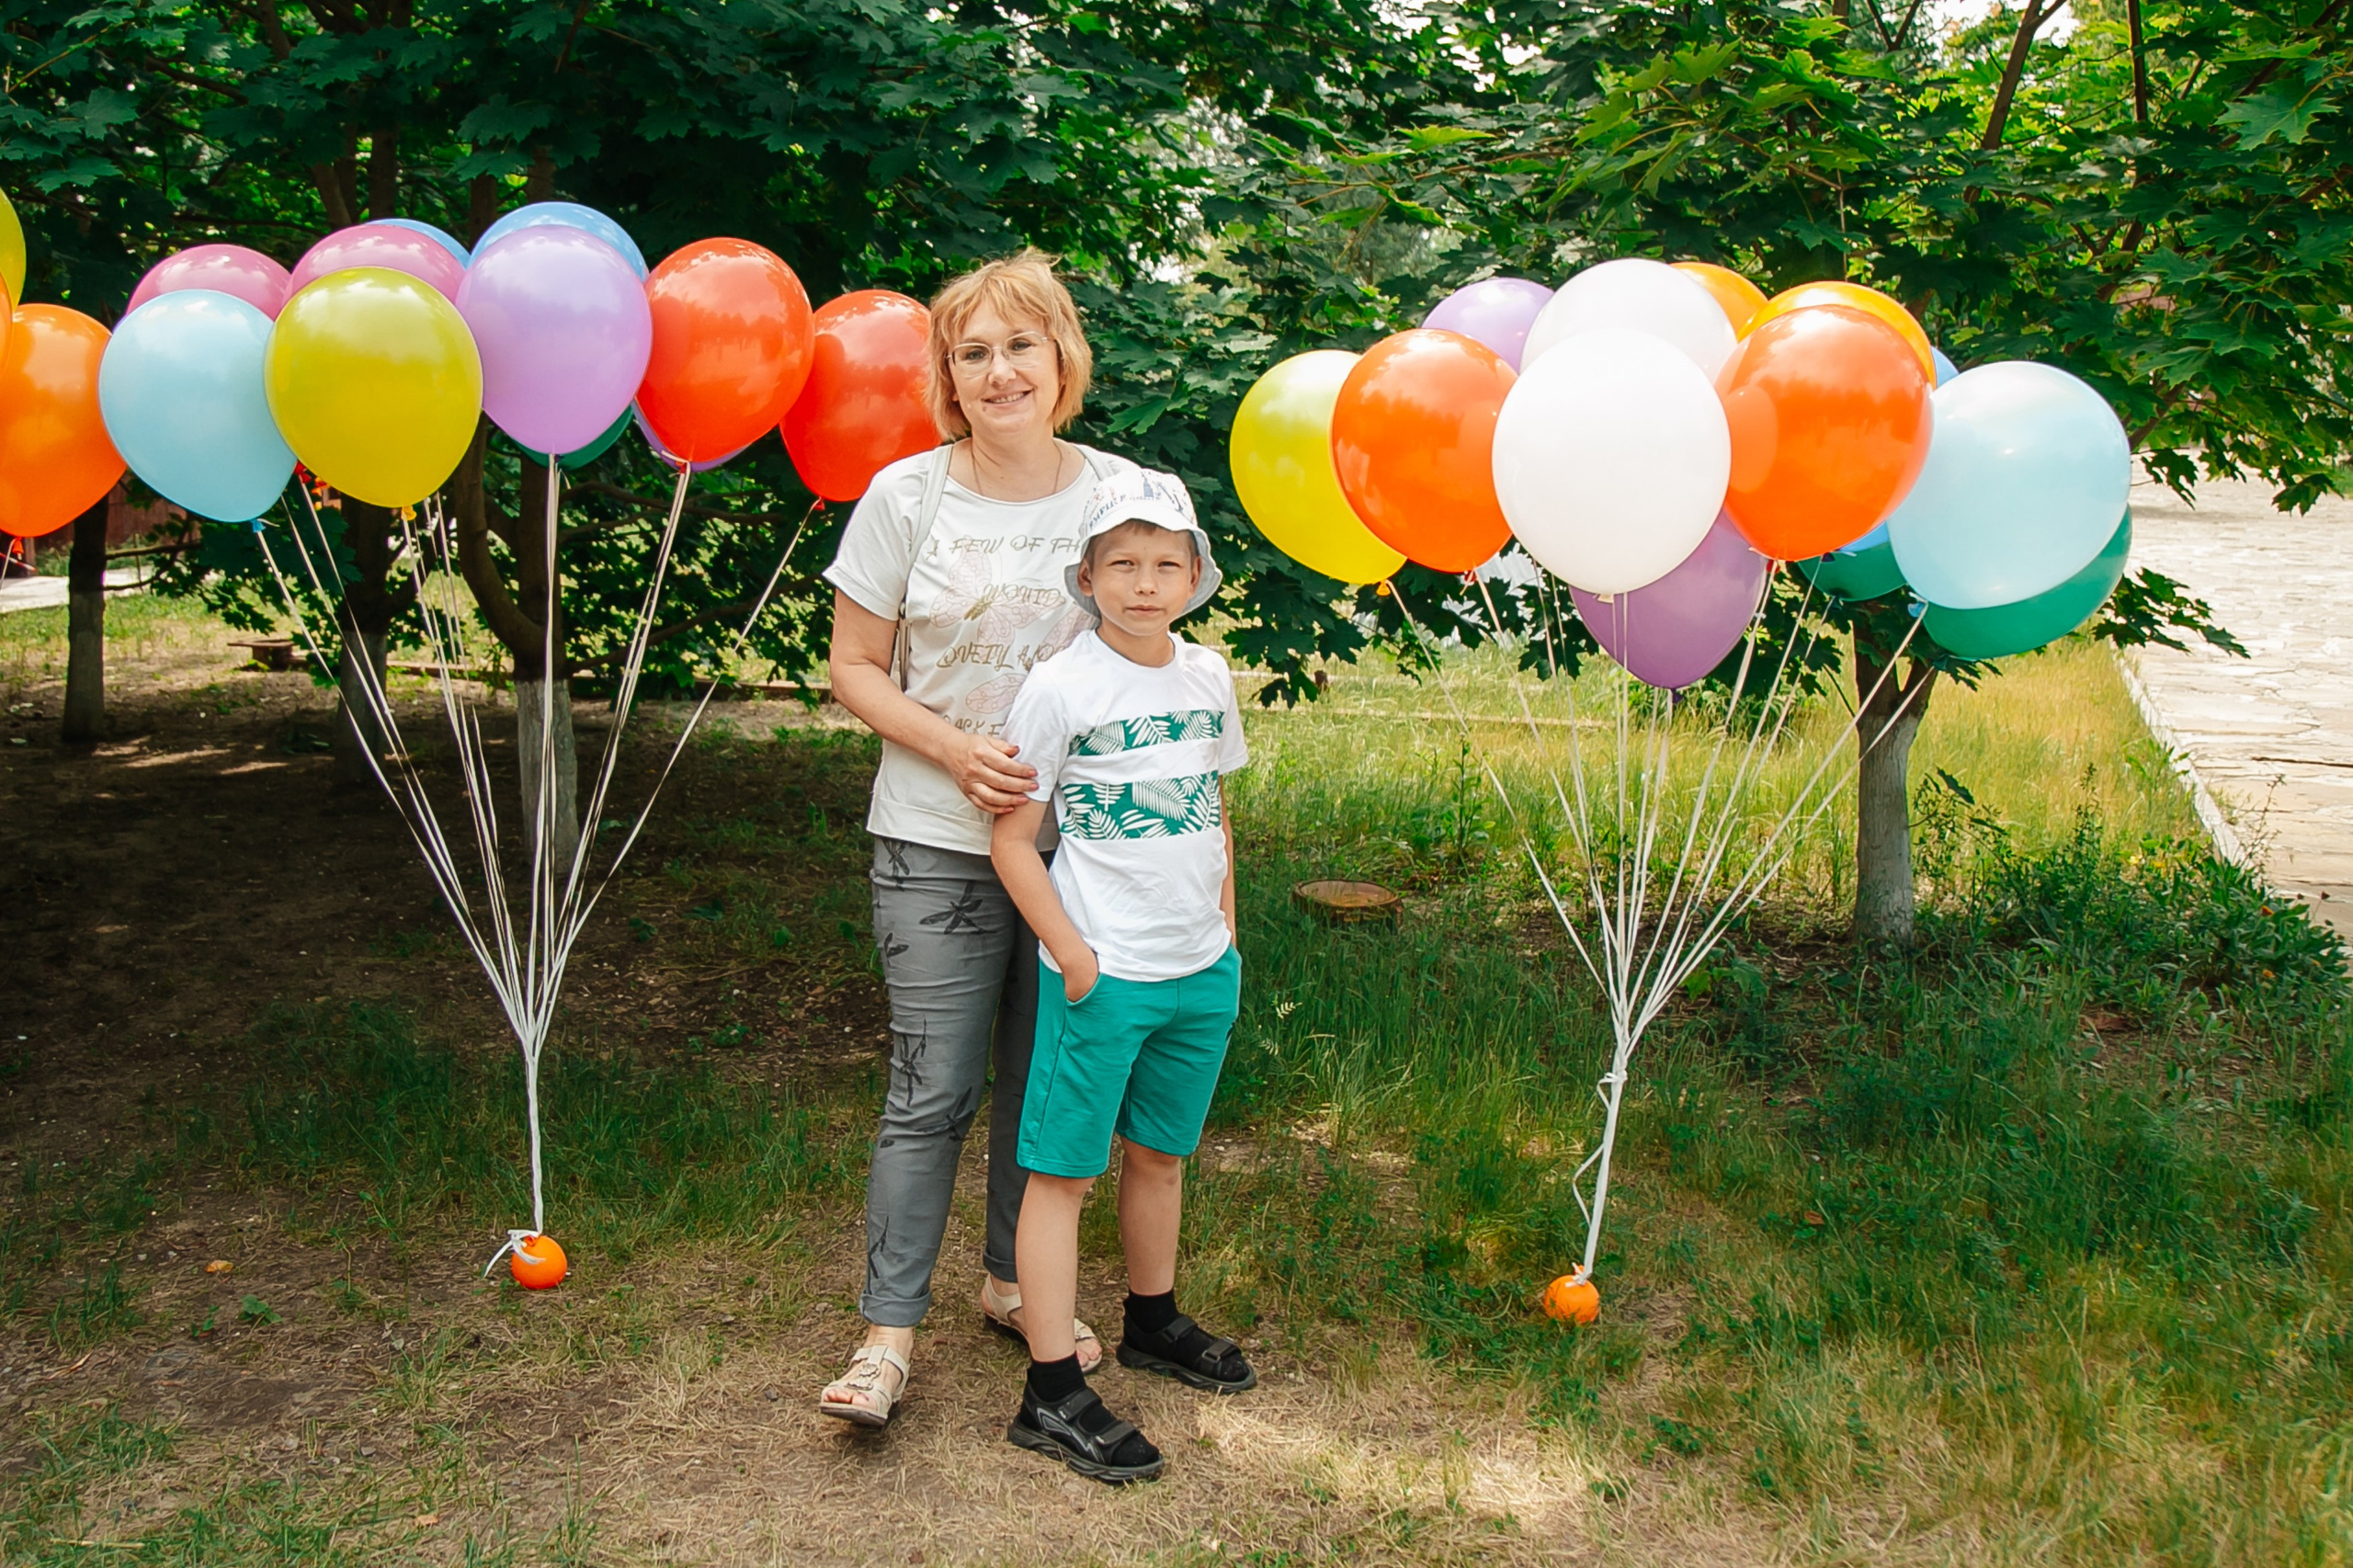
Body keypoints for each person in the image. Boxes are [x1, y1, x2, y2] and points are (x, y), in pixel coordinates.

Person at [817, 251, 1135, 1426]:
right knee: (928, 1090)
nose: (1000, 370)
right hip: (932, 838)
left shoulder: (1121, 494)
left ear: (1062, 357)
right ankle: (886, 1334)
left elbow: (1154, 657)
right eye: (973, 351)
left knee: (1041, 1080)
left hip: (1079, 853)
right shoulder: (908, 497)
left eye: (1021, 345)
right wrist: (956, 750)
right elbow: (853, 666)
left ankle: (1010, 1280)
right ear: (949, 376)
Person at [988, 467, 1255, 1484]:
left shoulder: (1207, 674)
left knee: (1161, 1155)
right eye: (1122, 564)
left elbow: (1212, 806)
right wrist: (1072, 952)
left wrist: (1225, 930)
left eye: (1165, 564)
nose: (1144, 583)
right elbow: (1014, 838)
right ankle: (1050, 1388)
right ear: (1088, 577)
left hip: (1198, 968)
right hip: (1103, 974)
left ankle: (1153, 1319)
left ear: (1194, 575)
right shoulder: (1061, 685)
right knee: (1064, 1172)